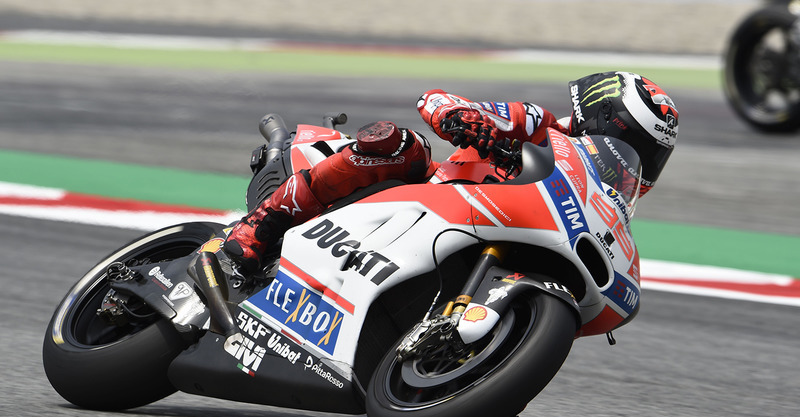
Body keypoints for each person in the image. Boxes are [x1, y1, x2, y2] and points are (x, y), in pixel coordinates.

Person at [223, 71, 679, 272]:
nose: (637, 158)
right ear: (603, 120)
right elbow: (436, 99)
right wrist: (465, 120)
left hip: (498, 235)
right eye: (635, 142)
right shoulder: (537, 124)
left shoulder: (598, 192)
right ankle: (265, 222)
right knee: (403, 147)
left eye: (649, 153)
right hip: (431, 196)